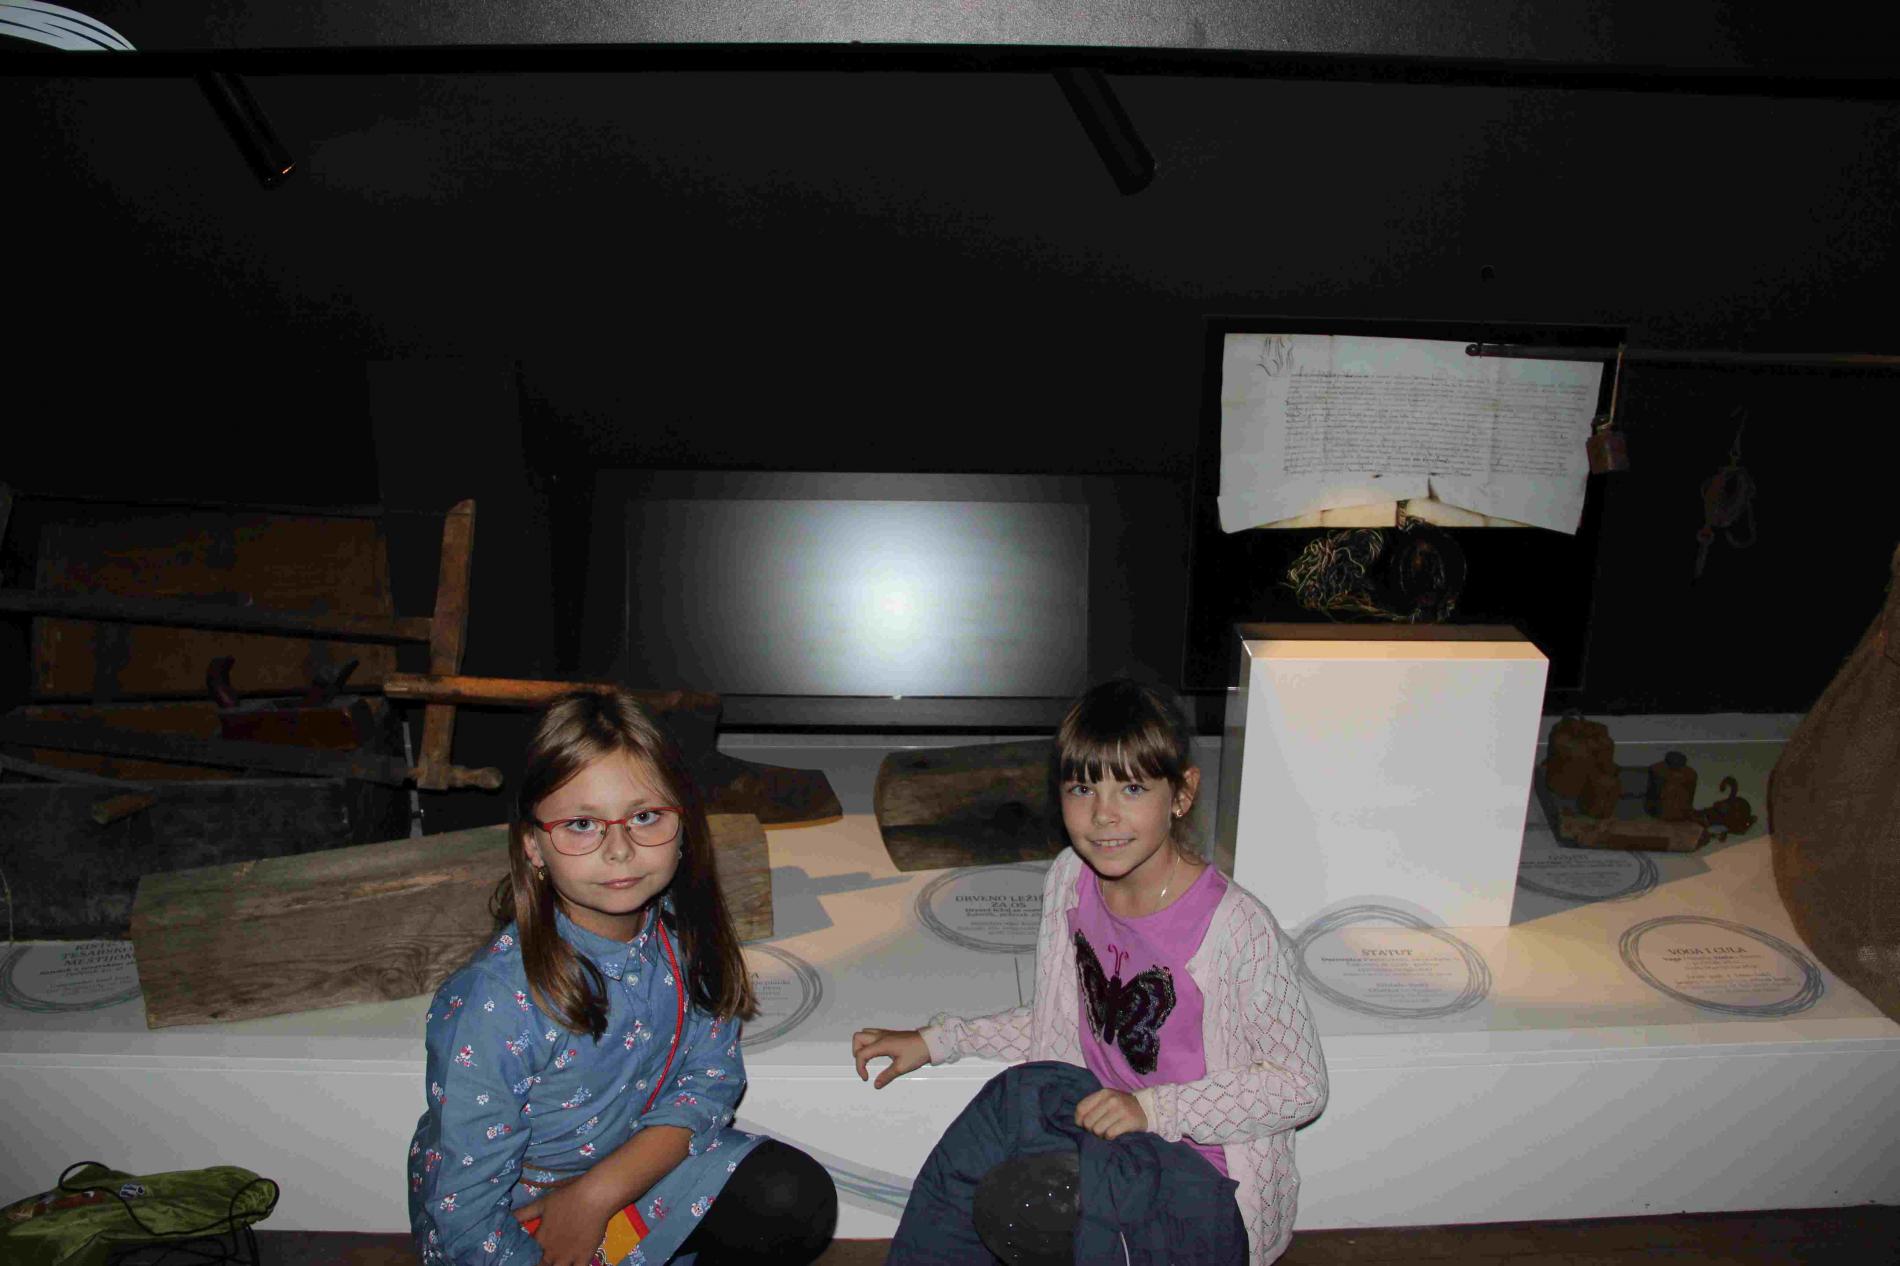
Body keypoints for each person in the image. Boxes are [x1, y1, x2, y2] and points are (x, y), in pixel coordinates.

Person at [853, 677, 1328, 1265]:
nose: (1103, 816)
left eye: (1132, 787)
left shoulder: (1235, 927)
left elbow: (1299, 1086)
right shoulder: (1071, 879)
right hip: (1102, 1127)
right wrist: (938, 1040)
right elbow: (1064, 1022)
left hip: (1198, 1177)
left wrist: (1154, 1109)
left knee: (1042, 1207)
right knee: (1013, 1100)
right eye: (1083, 788)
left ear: (1181, 794)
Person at [410, 690, 837, 1266]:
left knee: (792, 1197)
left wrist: (597, 1194)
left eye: (644, 817)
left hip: (630, 1179)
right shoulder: (494, 1002)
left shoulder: (684, 940)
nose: (620, 850)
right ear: (533, 845)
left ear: (684, 826)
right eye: (582, 824)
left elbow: (710, 1081)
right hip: (520, 1218)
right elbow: (465, 1211)